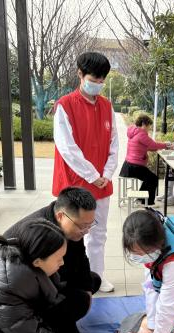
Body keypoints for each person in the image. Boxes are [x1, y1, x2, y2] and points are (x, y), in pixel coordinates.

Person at [4, 187, 100, 333]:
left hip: (46, 282)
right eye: (82, 226)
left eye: (90, 225)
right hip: (22, 299)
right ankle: (50, 330)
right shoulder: (41, 237)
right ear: (61, 216)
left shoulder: (71, 227)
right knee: (76, 303)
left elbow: (81, 258)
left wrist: (87, 291)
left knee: (92, 281)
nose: (86, 231)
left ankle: (59, 325)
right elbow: (51, 300)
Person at [53, 51, 118, 293]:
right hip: (75, 182)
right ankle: (68, 279)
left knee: (98, 233)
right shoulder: (65, 105)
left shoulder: (107, 106)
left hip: (101, 183)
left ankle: (95, 277)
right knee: (71, 233)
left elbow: (114, 143)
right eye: (93, 79)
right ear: (80, 74)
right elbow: (67, 148)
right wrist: (93, 175)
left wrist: (107, 174)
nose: (98, 84)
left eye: (102, 80)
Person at [119, 114, 170, 207]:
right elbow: (153, 145)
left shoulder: (134, 132)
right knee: (153, 178)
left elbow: (148, 146)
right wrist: (166, 145)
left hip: (128, 165)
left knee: (149, 178)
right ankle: (148, 202)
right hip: (135, 167)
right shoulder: (141, 134)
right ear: (143, 124)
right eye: (148, 126)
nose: (149, 128)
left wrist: (159, 147)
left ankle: (140, 200)